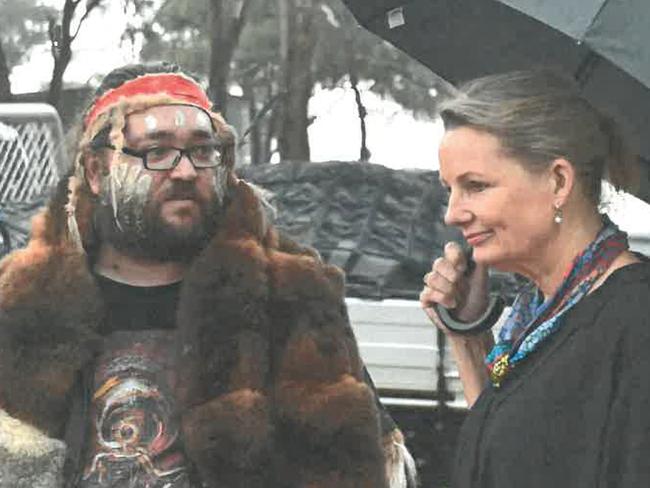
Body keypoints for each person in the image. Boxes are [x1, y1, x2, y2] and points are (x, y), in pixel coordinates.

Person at [0, 62, 416, 488]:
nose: (185, 171)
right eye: (156, 151)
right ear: (95, 171)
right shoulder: (21, 306)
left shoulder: (289, 295)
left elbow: (349, 467)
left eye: (202, 151)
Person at [419, 69, 650, 487]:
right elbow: (510, 454)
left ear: (558, 181)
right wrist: (468, 334)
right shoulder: (542, 314)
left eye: (475, 186)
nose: (452, 213)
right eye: (449, 189)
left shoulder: (636, 322)